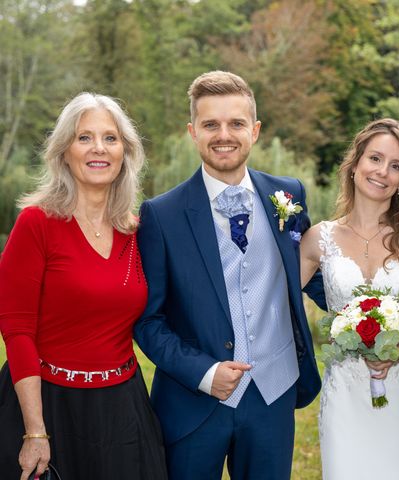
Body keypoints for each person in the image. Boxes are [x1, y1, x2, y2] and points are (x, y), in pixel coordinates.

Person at [133, 70, 321, 479]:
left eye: (236, 123)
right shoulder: (160, 215)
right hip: (193, 402)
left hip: (274, 394)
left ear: (254, 131)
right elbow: (148, 322)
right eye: (210, 124)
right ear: (192, 132)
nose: (224, 134)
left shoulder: (287, 195)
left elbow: (311, 272)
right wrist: (203, 373)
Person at [0, 93, 168, 480]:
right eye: (84, 137)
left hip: (122, 406)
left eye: (110, 138)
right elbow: (17, 330)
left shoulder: (136, 230)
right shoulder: (36, 224)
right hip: (48, 405)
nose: (99, 149)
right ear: (64, 151)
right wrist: (35, 430)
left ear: (126, 152)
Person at [300, 118, 399, 479]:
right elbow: (277, 304)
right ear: (356, 162)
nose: (383, 172)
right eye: (375, 159)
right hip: (344, 395)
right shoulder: (319, 239)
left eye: (396, 166)